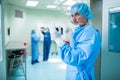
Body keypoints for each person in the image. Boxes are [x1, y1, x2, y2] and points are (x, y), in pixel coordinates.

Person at [52, 3, 101, 80]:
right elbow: (77, 47)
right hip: (74, 72)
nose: (74, 19)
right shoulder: (82, 30)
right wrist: (72, 35)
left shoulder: (90, 33)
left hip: (80, 75)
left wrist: (59, 41)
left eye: (77, 14)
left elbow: (76, 58)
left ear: (86, 14)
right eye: (72, 15)